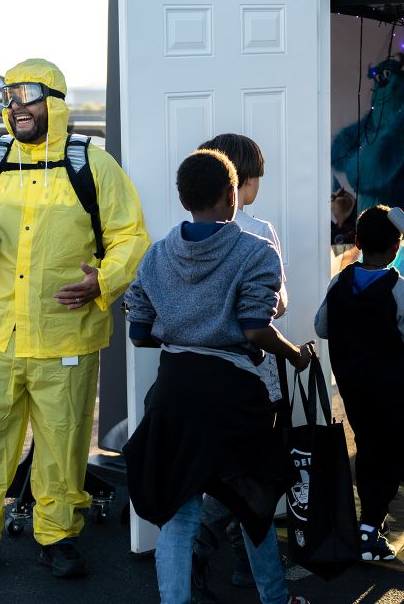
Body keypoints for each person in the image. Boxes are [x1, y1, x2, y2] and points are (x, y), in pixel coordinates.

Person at [0, 58, 150, 578]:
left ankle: (57, 536)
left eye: (26, 96)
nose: (16, 107)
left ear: (53, 101)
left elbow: (132, 236)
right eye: (9, 97)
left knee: (63, 442)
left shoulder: (92, 166)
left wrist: (103, 279)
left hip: (65, 337)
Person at [123, 149, 313, 604]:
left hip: (173, 393)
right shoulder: (255, 251)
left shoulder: (158, 255)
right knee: (254, 505)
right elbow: (254, 327)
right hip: (232, 396)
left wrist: (182, 333)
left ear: (183, 197)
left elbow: (139, 331)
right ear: (232, 195)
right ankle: (275, 598)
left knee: (178, 513)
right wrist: (295, 355)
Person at [190, 133, 288, 598]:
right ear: (242, 183)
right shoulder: (261, 232)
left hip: (197, 374)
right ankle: (210, 548)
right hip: (250, 374)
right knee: (249, 478)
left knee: (216, 469)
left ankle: (224, 555)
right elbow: (277, 308)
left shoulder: (187, 232)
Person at [314, 205, 404, 561]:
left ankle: (369, 522)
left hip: (351, 385)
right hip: (389, 388)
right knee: (389, 454)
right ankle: (370, 528)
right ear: (398, 246)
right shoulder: (403, 289)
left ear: (358, 242)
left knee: (366, 448)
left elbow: (321, 328)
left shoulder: (339, 282)